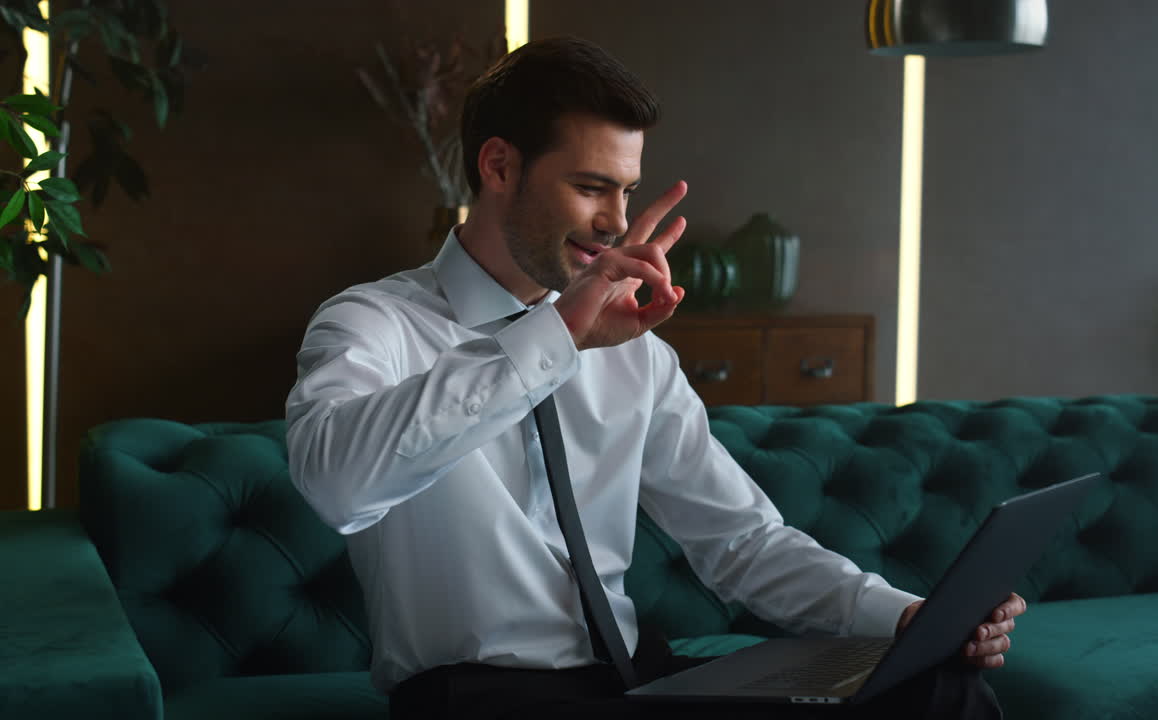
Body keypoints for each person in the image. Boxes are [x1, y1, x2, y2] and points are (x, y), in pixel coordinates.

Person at [286, 36, 1022, 719]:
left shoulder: (633, 351)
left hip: (635, 677)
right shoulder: (372, 324)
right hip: (478, 694)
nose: (615, 222)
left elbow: (742, 542)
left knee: (940, 689)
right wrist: (555, 335)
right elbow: (336, 483)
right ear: (499, 166)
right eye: (589, 187)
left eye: (627, 192)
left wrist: (905, 616)